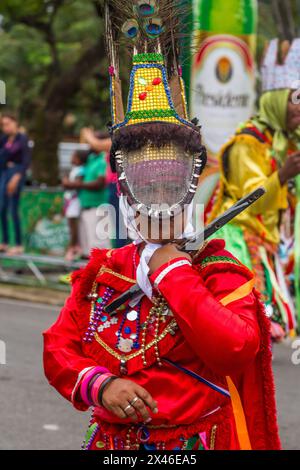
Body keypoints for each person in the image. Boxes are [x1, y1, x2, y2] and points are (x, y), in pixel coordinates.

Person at [43, 2, 280, 451]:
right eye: (144, 179)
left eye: (170, 179)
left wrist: (172, 270)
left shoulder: (218, 269)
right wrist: (100, 386)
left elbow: (234, 347)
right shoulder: (105, 271)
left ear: (190, 182)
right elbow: (58, 347)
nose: (157, 195)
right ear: (125, 185)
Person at [207, 39, 300, 341]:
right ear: (276, 99)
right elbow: (251, 201)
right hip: (238, 240)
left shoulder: (283, 141)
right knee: (242, 325)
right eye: (295, 99)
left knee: (259, 334)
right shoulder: (249, 141)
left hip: (266, 243)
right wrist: (283, 175)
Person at [63, 132, 111, 257]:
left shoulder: (102, 160)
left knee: (99, 246)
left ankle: (103, 275)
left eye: (91, 142)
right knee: (87, 247)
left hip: (98, 207)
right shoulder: (90, 159)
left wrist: (76, 185)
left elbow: (100, 183)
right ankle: (88, 274)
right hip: (85, 206)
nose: (89, 145)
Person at [0, 112, 31, 254]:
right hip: (5, 173)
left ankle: (18, 244)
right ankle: (5, 242)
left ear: (15, 123)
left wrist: (17, 177)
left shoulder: (22, 138)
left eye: (8, 124)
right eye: (3, 125)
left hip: (17, 173)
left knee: (13, 209)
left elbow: (26, 161)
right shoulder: (4, 139)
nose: (5, 127)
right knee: (2, 208)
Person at [63, 149, 88, 261]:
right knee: (70, 224)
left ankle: (73, 247)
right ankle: (75, 246)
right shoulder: (74, 169)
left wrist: (66, 182)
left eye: (74, 156)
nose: (71, 158)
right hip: (69, 201)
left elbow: (75, 185)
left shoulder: (81, 170)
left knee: (74, 225)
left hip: (75, 201)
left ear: (79, 159)